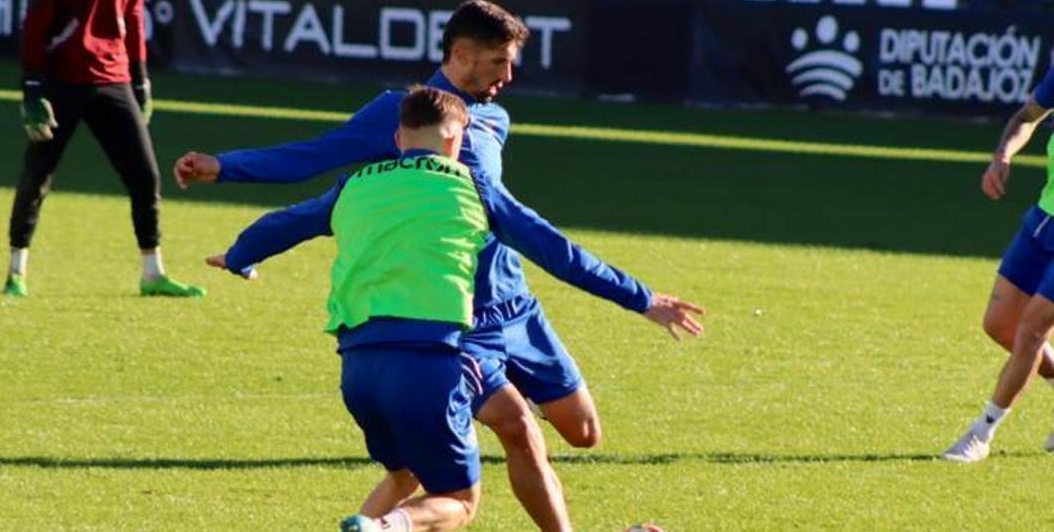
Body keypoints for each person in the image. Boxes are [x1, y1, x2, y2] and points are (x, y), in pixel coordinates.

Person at [175, 0, 618, 529]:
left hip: (514, 301)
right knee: (509, 435)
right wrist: (225, 168)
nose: (509, 74)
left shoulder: (494, 117)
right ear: (461, 53)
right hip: (456, 312)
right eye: (499, 61)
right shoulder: (401, 112)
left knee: (583, 431)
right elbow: (316, 154)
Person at [206, 86, 704, 531]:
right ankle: (384, 528)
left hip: (358, 368)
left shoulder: (354, 186)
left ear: (399, 139)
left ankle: (381, 524)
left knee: (448, 454)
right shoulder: (472, 188)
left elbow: (281, 224)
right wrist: (641, 298)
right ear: (455, 144)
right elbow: (560, 254)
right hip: (433, 359)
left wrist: (239, 257)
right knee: (457, 501)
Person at [2, 0, 203, 299]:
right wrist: (31, 87)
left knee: (145, 176)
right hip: (61, 82)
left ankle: (153, 274)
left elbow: (133, 20)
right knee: (37, 176)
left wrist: (141, 79)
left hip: (113, 81)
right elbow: (35, 24)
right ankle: (16, 270)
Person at [943, 70, 1054, 462]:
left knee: (1032, 329)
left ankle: (981, 434)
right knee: (1000, 324)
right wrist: (1002, 156)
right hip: (1045, 218)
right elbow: (1025, 117)